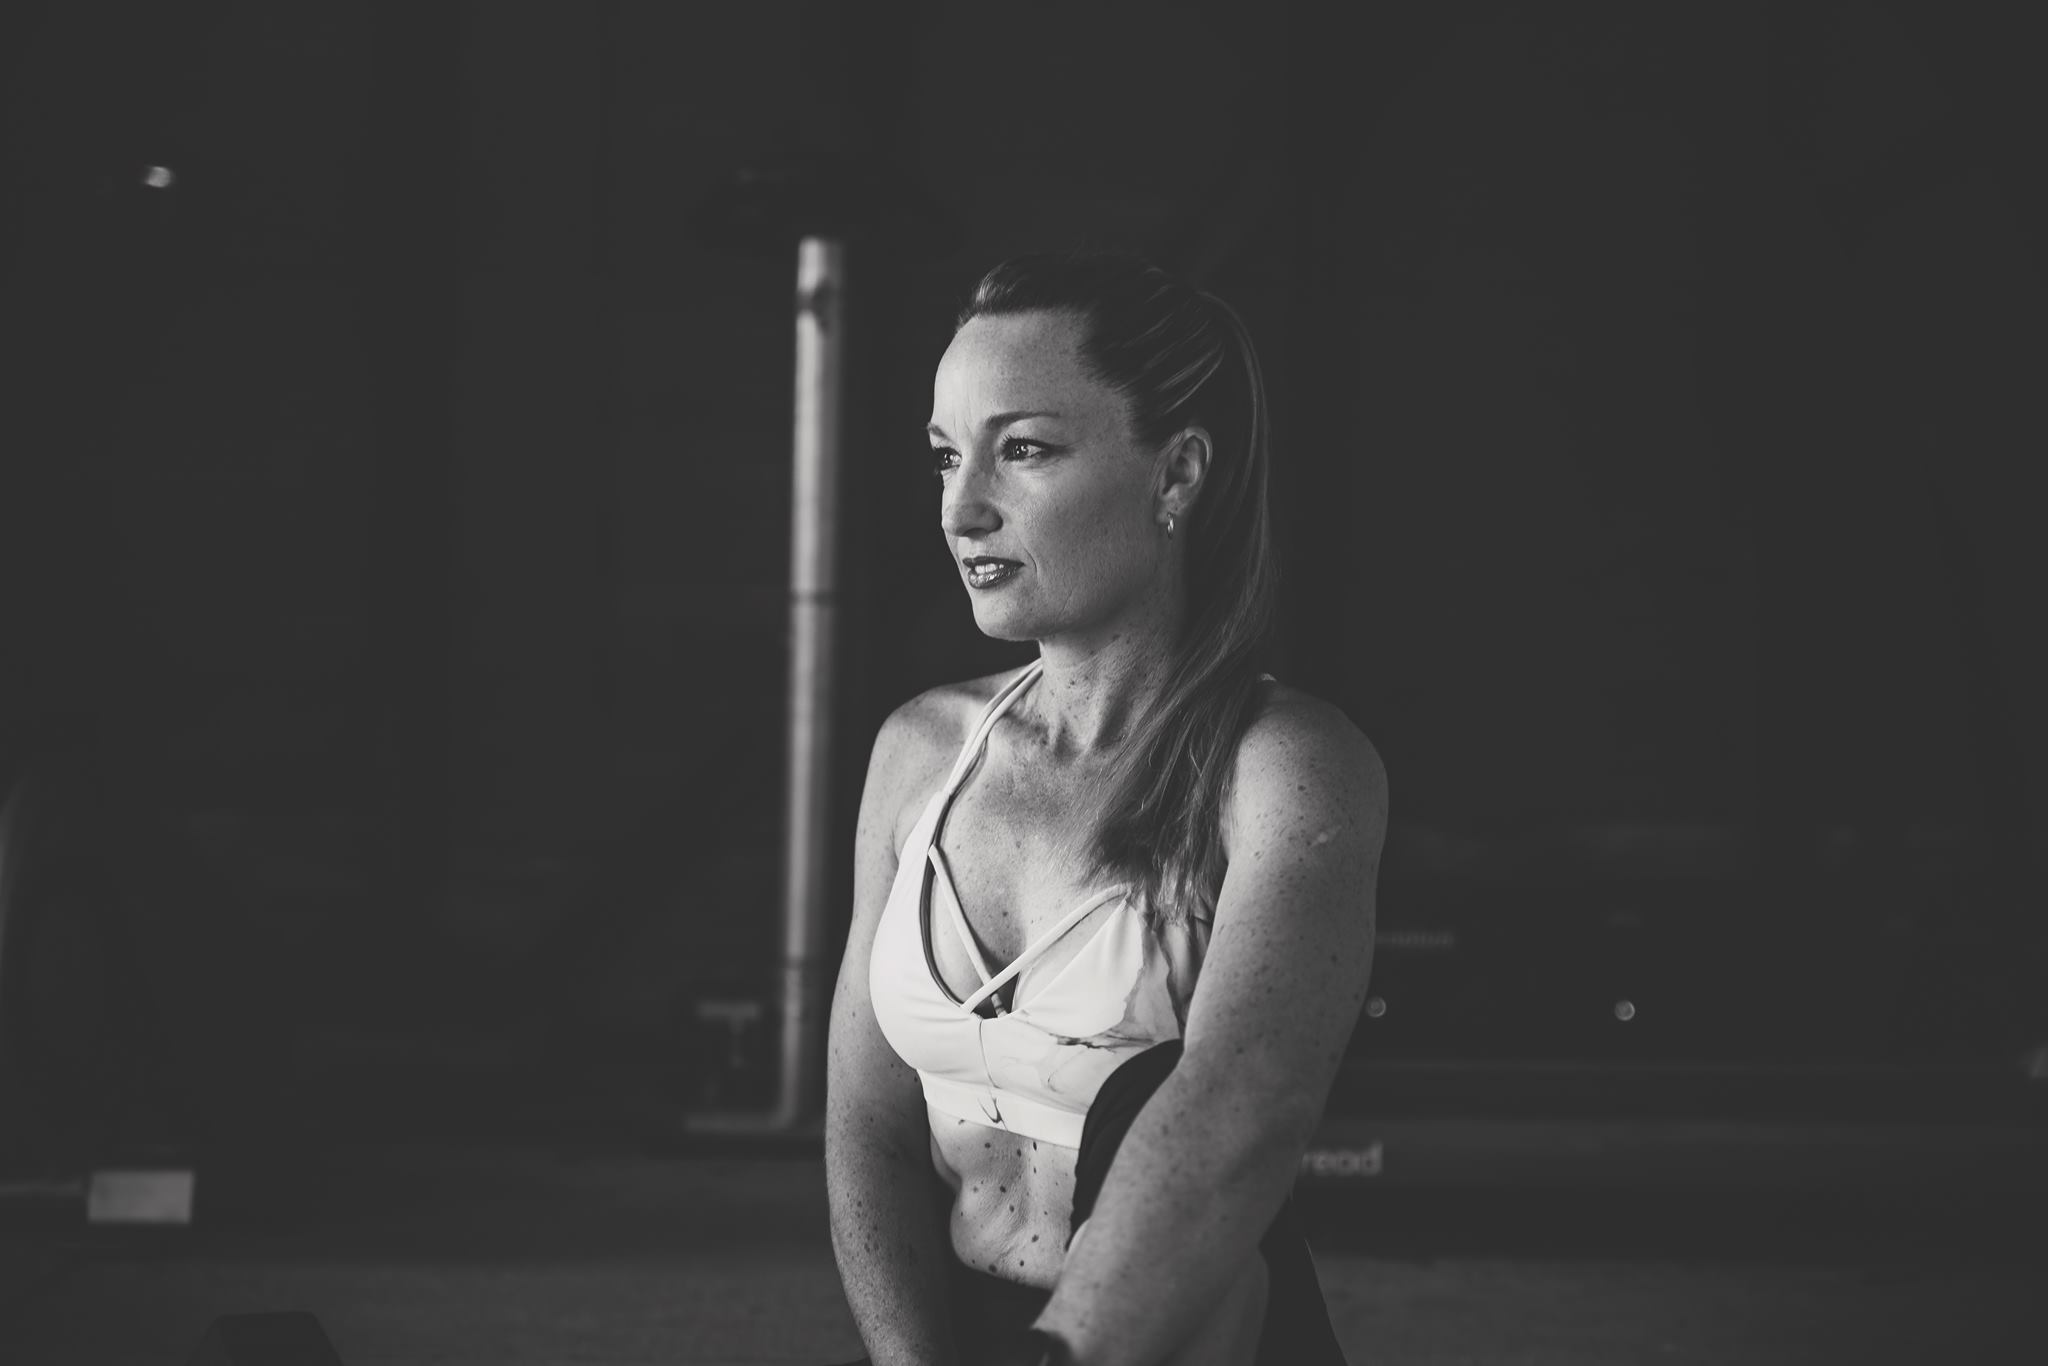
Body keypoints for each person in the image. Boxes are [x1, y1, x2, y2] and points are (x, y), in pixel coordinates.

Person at [825, 248, 1387, 1366]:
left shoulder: (1288, 766)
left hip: (1179, 1340)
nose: (962, 508)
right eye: (945, 458)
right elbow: (868, 1127)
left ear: (1175, 477)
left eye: (1021, 450)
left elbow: (1244, 1109)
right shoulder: (920, 751)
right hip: (965, 1339)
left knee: (1149, 1103)